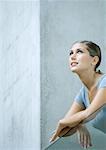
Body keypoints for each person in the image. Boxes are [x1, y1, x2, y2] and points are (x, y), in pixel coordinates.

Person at [50, 40, 106, 149]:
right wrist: (79, 124)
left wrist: (72, 121)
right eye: (70, 53)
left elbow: (89, 113)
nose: (73, 56)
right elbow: (63, 132)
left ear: (94, 60)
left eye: (79, 52)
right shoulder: (83, 93)